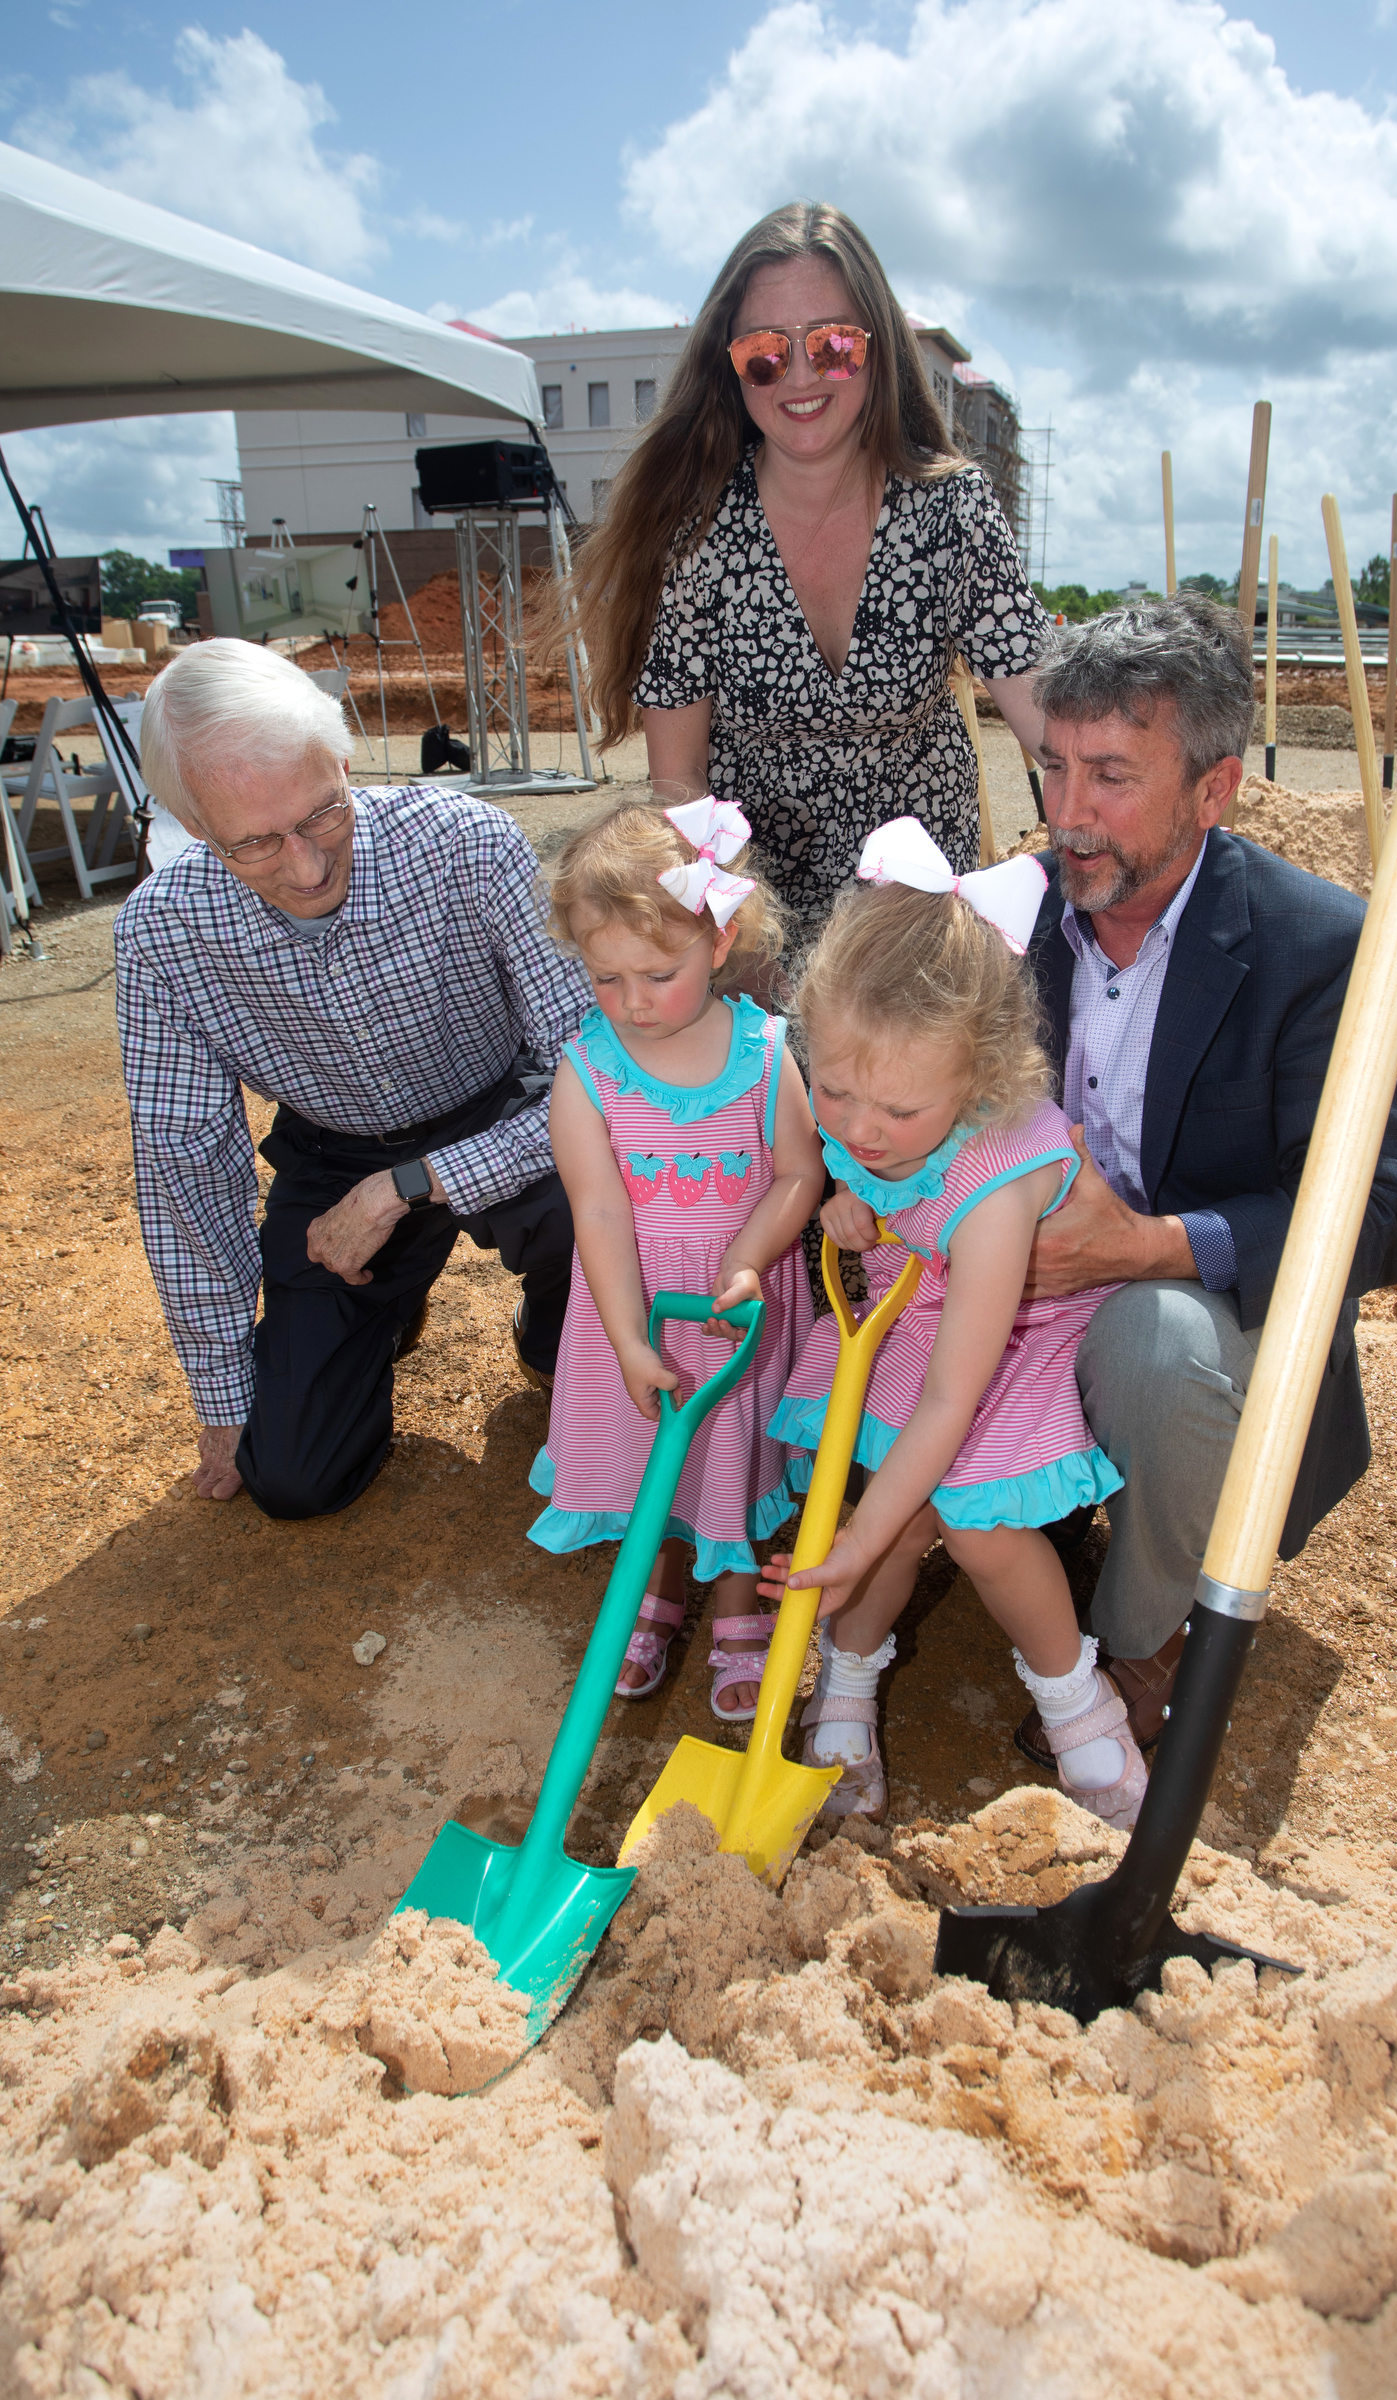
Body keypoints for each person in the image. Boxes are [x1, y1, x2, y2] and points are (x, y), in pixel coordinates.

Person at [1013, 591, 1397, 1759]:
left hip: (1187, 1306)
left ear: (1214, 790)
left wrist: (1147, 1247)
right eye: (1053, 770)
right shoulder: (1008, 920)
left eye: (1110, 776)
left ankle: (1144, 1637)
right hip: (1011, 1286)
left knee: (1156, 1346)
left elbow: (1387, 1213)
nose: (1068, 815)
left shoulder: (1319, 948)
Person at [117, 639, 589, 1519]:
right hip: (333, 1154)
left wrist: (412, 1184)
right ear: (190, 826)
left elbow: (593, 1067)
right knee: (293, 1477)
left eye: (321, 815)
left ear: (342, 758)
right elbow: (187, 1167)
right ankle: (379, 1315)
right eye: (253, 844)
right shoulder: (160, 934)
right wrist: (226, 1401)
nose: (304, 868)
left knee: (598, 1197)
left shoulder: (469, 842)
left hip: (506, 1115)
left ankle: (562, 1321)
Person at [764, 819, 1142, 1827]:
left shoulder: (995, 1182)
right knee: (890, 1516)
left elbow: (949, 1400)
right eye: (835, 1090)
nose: (857, 1129)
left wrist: (849, 1540)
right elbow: (856, 1156)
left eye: (896, 1114)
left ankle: (1076, 1704)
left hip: (1020, 1321)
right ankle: (846, 1684)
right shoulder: (859, 1099)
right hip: (919, 1290)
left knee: (970, 1515)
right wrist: (858, 1205)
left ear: (978, 1081)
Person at [548, 200, 1051, 937]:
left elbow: (1051, 727)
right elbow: (681, 797)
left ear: (875, 348)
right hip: (764, 937)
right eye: (766, 353)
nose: (800, 375)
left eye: (833, 344)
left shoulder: (951, 512)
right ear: (733, 364)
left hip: (914, 936)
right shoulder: (697, 536)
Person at [529, 797, 824, 1721]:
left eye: (659, 973)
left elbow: (797, 1173)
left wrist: (745, 1260)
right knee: (647, 1458)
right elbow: (599, 1207)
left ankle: (737, 1611)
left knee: (731, 1460)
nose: (632, 1002)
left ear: (722, 939)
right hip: (640, 1304)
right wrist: (625, 1337)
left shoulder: (767, 1055)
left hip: (734, 1314)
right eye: (604, 977)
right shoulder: (588, 1068)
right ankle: (655, 1597)